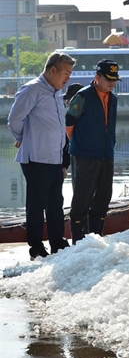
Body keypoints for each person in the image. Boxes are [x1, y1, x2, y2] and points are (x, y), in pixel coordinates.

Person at [7, 52, 75, 259]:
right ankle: (36, 246)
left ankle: (58, 243)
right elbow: (14, 120)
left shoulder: (56, 92)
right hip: (36, 158)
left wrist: (63, 160)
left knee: (56, 203)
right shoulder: (32, 89)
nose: (67, 78)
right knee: (36, 205)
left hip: (54, 159)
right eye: (65, 73)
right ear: (52, 70)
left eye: (70, 74)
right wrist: (24, 138)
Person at [66, 59, 120, 244]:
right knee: (82, 199)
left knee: (103, 198)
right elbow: (68, 123)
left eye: (114, 79)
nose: (111, 83)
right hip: (85, 155)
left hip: (106, 154)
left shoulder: (113, 98)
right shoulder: (83, 96)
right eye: (108, 79)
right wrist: (81, 144)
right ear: (97, 77)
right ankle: (78, 242)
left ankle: (97, 239)